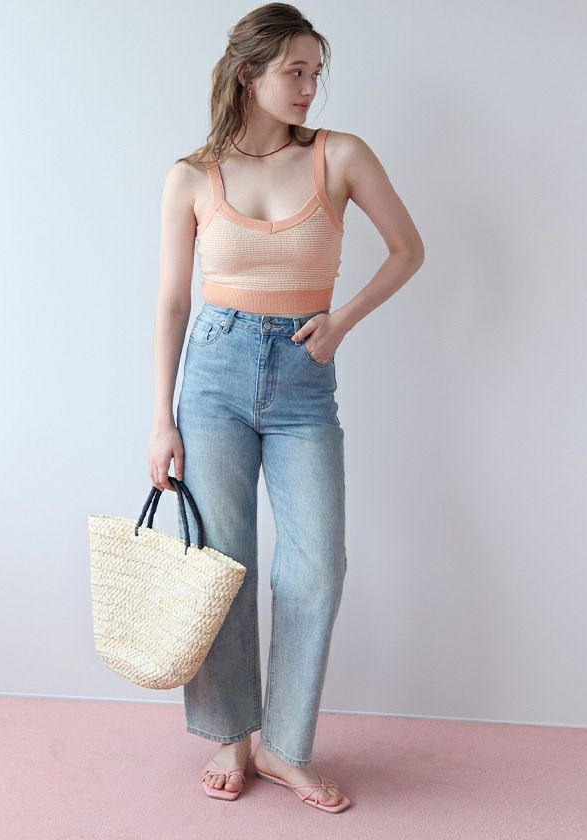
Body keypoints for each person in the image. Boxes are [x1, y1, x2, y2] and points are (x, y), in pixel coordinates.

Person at [149, 2, 424, 813]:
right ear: (249, 74)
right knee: (221, 564)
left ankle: (286, 745)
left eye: (315, 72)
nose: (310, 87)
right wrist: (160, 418)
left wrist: (343, 319)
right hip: (213, 375)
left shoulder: (341, 155)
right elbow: (173, 302)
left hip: (305, 378)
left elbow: (408, 249)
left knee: (316, 565)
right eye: (294, 71)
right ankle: (231, 735)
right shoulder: (192, 175)